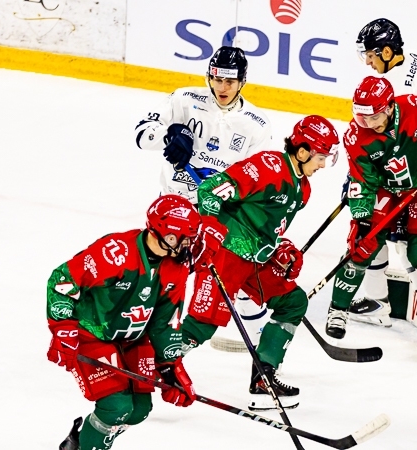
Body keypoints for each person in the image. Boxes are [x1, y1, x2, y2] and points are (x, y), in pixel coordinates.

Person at [181, 115, 340, 410]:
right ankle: (153, 365)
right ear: (302, 152)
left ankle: (263, 378)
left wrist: (282, 249)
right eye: (320, 157)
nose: (322, 165)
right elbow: (209, 191)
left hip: (256, 260)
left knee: (293, 302)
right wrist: (211, 230)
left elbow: (269, 228)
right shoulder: (267, 167)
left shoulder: (302, 188)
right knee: (202, 324)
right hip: (227, 252)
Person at [47, 195, 222, 450]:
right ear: (159, 231)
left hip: (133, 339)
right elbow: (63, 282)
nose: (185, 247)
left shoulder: (176, 268)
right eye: (178, 238)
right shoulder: (115, 253)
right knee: (116, 407)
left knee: (139, 410)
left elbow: (165, 322)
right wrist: (63, 330)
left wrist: (170, 367)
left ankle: (82, 441)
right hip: (92, 334)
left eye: (188, 239)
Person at [326, 75, 417, 363]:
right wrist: (362, 219)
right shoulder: (356, 136)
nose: (367, 123)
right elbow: (363, 180)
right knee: (362, 245)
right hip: (386, 187)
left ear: (389, 107)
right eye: (361, 116)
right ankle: (338, 309)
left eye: (373, 116)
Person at [134, 46, 273, 346]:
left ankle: (260, 339)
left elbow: (258, 180)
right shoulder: (184, 99)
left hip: (219, 215)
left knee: (237, 272)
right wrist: (169, 135)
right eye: (217, 79)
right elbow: (142, 134)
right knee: (160, 276)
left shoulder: (257, 125)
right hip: (174, 209)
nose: (222, 87)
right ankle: (142, 335)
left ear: (242, 81)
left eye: (230, 81)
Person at [348, 18, 417, 327]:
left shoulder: (394, 88)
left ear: (386, 52)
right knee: (405, 241)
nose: (368, 62)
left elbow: (386, 137)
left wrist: (362, 177)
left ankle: (409, 308)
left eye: (370, 55)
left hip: (411, 172)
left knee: (382, 235)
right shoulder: (416, 60)